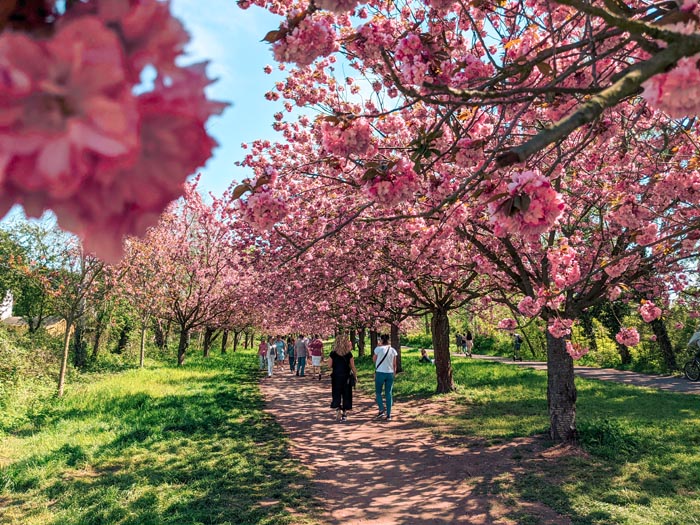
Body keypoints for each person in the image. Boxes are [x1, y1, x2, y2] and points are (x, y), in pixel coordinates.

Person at [328, 334, 357, 422]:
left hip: (336, 376)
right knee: (346, 394)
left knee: (336, 393)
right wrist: (355, 376)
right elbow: (353, 366)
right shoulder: (349, 354)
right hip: (346, 377)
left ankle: (338, 409)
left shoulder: (333, 353)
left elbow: (329, 365)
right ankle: (344, 413)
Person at [373, 334, 398, 421]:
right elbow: (395, 364)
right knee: (389, 393)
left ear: (381, 340)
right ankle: (389, 415)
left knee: (378, 392)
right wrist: (394, 373)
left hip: (380, 372)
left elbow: (374, 360)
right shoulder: (393, 350)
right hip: (390, 373)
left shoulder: (378, 349)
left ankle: (381, 409)